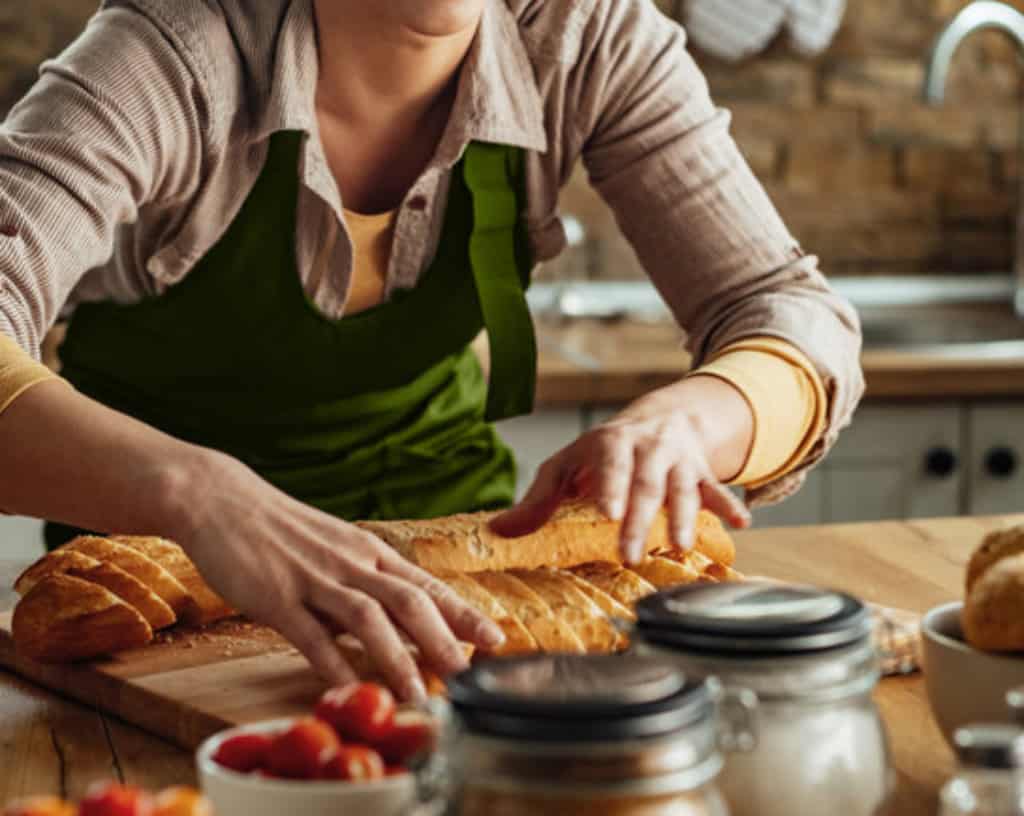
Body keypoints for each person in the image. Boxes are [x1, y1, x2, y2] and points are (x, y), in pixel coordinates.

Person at [0, 0, 863, 701]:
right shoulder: (168, 55)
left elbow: (782, 307)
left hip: (473, 588)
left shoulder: (586, 35)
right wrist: (196, 493)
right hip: (166, 607)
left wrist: (691, 419)